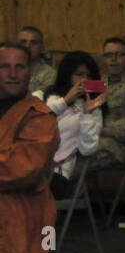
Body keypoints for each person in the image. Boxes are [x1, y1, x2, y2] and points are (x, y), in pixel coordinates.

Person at [0, 42, 58, 253]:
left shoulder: (39, 116)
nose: (13, 75)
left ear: (29, 71)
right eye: (4, 67)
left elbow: (21, 170)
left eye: (20, 67)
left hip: (23, 203)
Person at [42, 51, 105, 199]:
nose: (84, 80)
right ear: (68, 74)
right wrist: (65, 101)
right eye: (79, 74)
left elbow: (87, 150)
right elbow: (38, 122)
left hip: (60, 172)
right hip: (34, 164)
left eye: (89, 76)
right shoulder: (49, 97)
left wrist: (87, 114)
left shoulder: (94, 108)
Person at [86, 37, 125, 173]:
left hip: (118, 144)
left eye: (119, 55)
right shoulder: (96, 83)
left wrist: (99, 129)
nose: (113, 59)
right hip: (90, 136)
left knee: (75, 161)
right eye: (109, 55)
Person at [17, 26, 55, 97]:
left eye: (33, 43)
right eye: (23, 42)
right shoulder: (6, 70)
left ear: (41, 47)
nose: (27, 46)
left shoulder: (49, 74)